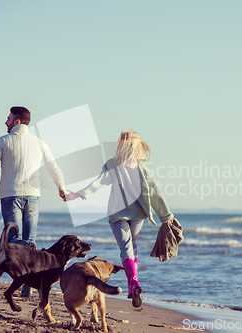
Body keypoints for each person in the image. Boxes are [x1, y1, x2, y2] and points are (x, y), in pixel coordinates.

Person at [65, 129, 174, 308]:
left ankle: (133, 283)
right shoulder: (141, 169)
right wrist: (166, 215)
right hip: (138, 214)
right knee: (133, 247)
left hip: (118, 214)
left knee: (126, 248)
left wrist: (78, 194)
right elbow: (155, 193)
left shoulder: (113, 165)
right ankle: (134, 284)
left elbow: (98, 183)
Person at [0, 106, 67, 297]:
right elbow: (54, 168)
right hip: (33, 196)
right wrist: (61, 188)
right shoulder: (39, 143)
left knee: (12, 240)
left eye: (8, 118)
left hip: (10, 195)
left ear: (17, 121)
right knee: (30, 241)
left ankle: (25, 280)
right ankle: (27, 287)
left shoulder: (3, 141)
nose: (6, 121)